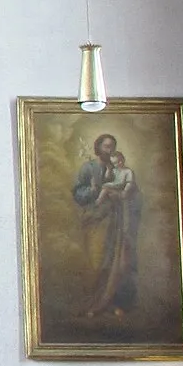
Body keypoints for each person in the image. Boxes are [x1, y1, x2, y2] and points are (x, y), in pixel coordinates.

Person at [71, 133, 141, 317]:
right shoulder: (89, 167)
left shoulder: (119, 168)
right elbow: (78, 193)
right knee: (96, 262)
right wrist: (92, 191)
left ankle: (112, 303)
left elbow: (131, 191)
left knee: (115, 262)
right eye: (105, 146)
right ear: (98, 148)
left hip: (116, 221)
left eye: (112, 146)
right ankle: (92, 303)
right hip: (95, 221)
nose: (108, 150)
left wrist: (125, 193)